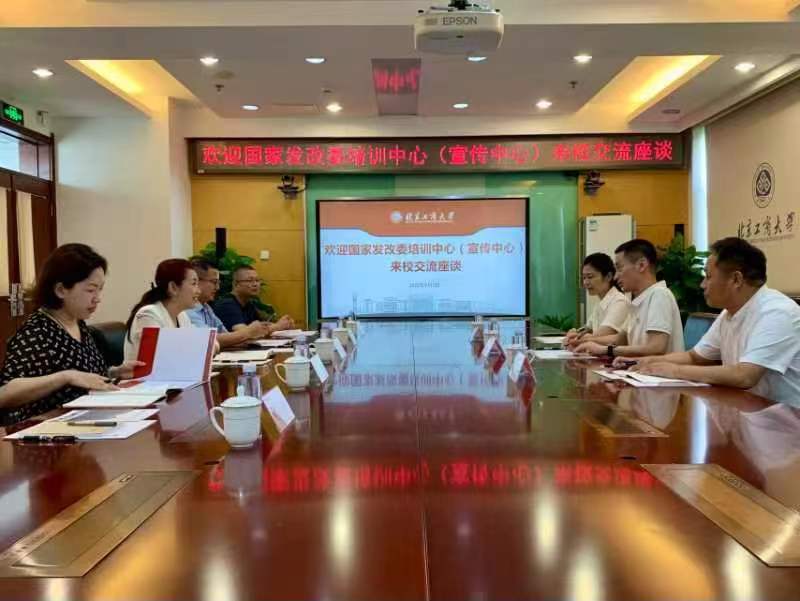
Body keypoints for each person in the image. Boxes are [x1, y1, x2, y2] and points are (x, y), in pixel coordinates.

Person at [632, 237, 800, 406]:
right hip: (747, 409)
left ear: (736, 279)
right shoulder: (729, 312)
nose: (702, 284)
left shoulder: (777, 312)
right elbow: (694, 357)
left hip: (785, 417)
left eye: (708, 276)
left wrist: (675, 371)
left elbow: (744, 376)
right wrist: (650, 362)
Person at [0, 244, 141, 425]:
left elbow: (82, 375)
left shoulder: (78, 323)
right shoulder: (37, 331)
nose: (97, 298)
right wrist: (65, 376)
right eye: (90, 290)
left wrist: (115, 372)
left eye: (100, 289)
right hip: (43, 431)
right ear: (61, 290)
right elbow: (5, 393)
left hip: (84, 424)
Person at [575, 239, 684, 359]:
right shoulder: (639, 300)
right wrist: (585, 341)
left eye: (619, 268)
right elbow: (620, 339)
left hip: (659, 370)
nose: (616, 276)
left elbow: (656, 347)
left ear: (641, 265)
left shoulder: (659, 295)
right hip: (639, 368)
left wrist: (606, 350)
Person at [184, 259, 276, 348]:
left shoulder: (206, 307)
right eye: (214, 282)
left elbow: (225, 334)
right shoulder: (188, 309)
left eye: (257, 280)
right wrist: (248, 333)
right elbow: (209, 340)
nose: (218, 287)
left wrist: (244, 337)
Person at [124, 259, 200, 361]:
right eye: (194, 284)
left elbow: (199, 345)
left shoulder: (182, 316)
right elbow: (162, 359)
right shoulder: (148, 315)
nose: (198, 291)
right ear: (173, 287)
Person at [564, 253, 630, 348]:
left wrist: (579, 337)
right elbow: (587, 329)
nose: (585, 282)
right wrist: (575, 332)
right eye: (584, 278)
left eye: (590, 277)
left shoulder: (620, 302)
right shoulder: (600, 302)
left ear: (608, 276)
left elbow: (599, 336)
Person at [214, 265, 293, 333]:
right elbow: (244, 332)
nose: (255, 284)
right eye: (250, 280)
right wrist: (277, 326)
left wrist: (284, 324)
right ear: (236, 284)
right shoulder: (227, 304)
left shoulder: (248, 303)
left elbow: (261, 326)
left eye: (257, 280)